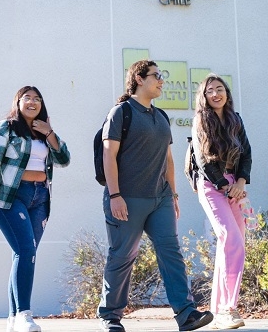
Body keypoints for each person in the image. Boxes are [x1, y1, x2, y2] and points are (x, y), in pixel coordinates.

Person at [97, 60, 213, 332]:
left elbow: (168, 159)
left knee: (171, 251)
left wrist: (173, 194)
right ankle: (110, 315)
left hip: (159, 197)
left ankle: (186, 314)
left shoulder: (161, 116)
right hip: (126, 197)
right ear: (139, 78)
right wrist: (115, 195)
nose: (161, 81)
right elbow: (108, 155)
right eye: (156, 76)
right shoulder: (121, 113)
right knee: (122, 255)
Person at [0, 86, 71, 332]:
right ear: (18, 102)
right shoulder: (6, 128)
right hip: (12, 195)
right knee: (25, 250)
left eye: (37, 98)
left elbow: (64, 160)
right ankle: (24, 314)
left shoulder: (43, 132)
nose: (32, 102)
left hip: (40, 198)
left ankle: (12, 319)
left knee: (24, 254)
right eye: (27, 98)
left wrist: (49, 132)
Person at [191, 74, 251, 329]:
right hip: (212, 185)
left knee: (236, 243)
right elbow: (203, 160)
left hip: (233, 187)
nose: (215, 94)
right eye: (209, 91)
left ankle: (219, 311)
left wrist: (240, 182)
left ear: (227, 92)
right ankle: (229, 308)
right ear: (203, 97)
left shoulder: (235, 120)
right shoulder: (201, 120)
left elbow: (246, 154)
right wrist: (224, 185)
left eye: (219, 89)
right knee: (231, 238)